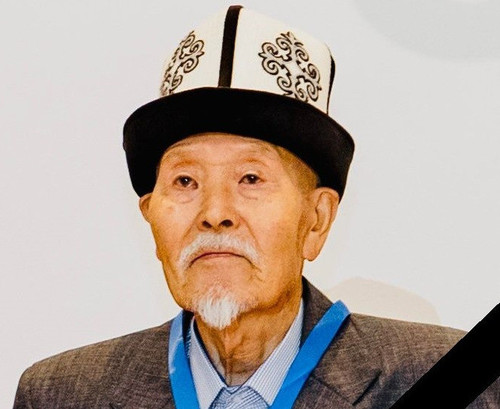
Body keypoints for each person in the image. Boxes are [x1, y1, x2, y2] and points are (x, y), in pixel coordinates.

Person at [13, 5, 499, 409]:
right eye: (185, 181)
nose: (214, 213)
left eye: (250, 178)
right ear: (151, 218)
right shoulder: (59, 394)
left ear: (316, 220)